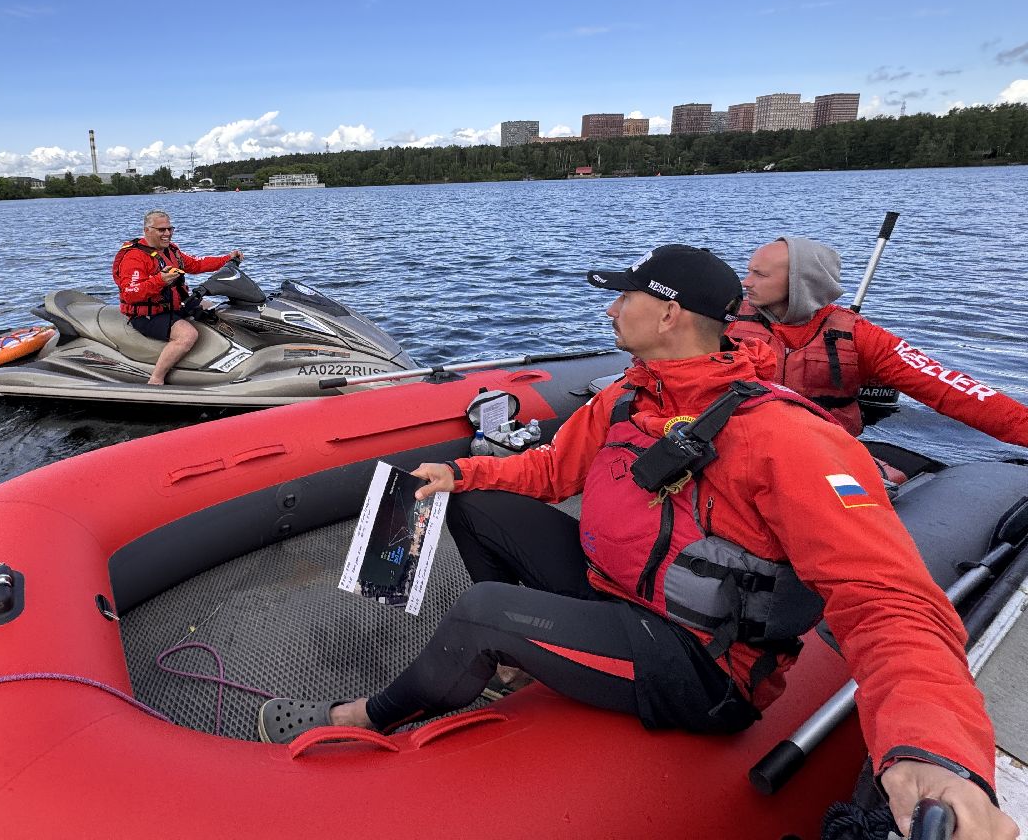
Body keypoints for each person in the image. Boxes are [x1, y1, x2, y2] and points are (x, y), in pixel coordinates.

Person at [256, 245, 1015, 840]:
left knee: (483, 611)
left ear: (671, 316)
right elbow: (553, 470)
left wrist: (932, 749)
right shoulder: (628, 393)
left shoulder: (787, 438)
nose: (613, 307)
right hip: (617, 596)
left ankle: (360, 719)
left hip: (699, 662)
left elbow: (888, 604)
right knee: (478, 505)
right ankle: (525, 662)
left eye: (627, 295)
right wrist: (464, 473)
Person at [729, 237, 1028, 444]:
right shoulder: (724, 321)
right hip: (744, 442)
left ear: (799, 283)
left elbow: (949, 389)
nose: (746, 282)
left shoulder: (859, 336)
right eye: (748, 271)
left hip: (821, 450)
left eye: (760, 274)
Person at [112, 210, 241, 385]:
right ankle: (156, 379)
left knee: (216, 309)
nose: (167, 234)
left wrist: (227, 259)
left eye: (170, 229)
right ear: (147, 230)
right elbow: (130, 293)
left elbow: (196, 264)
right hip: (148, 315)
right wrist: (159, 280)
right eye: (161, 230)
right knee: (187, 335)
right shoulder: (134, 257)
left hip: (172, 306)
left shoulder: (171, 250)